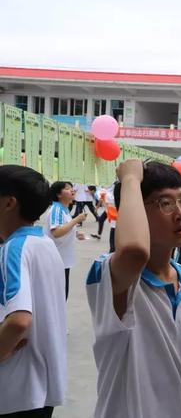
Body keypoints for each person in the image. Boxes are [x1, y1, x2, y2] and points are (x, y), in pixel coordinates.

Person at [85, 159, 181, 418]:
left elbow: (180, 340)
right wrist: (129, 178)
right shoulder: (112, 274)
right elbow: (134, 251)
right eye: (165, 203)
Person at [0, 166, 67, 418]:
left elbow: (19, 320)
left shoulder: (13, 249)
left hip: (17, 387)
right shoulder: (45, 243)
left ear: (8, 203)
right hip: (44, 381)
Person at [43, 181, 87, 300]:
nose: (72, 190)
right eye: (67, 189)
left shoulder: (65, 209)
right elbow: (56, 232)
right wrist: (76, 220)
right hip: (56, 260)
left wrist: (76, 233)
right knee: (58, 297)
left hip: (64, 259)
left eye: (72, 188)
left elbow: (65, 226)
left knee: (62, 295)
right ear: (58, 194)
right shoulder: (56, 209)